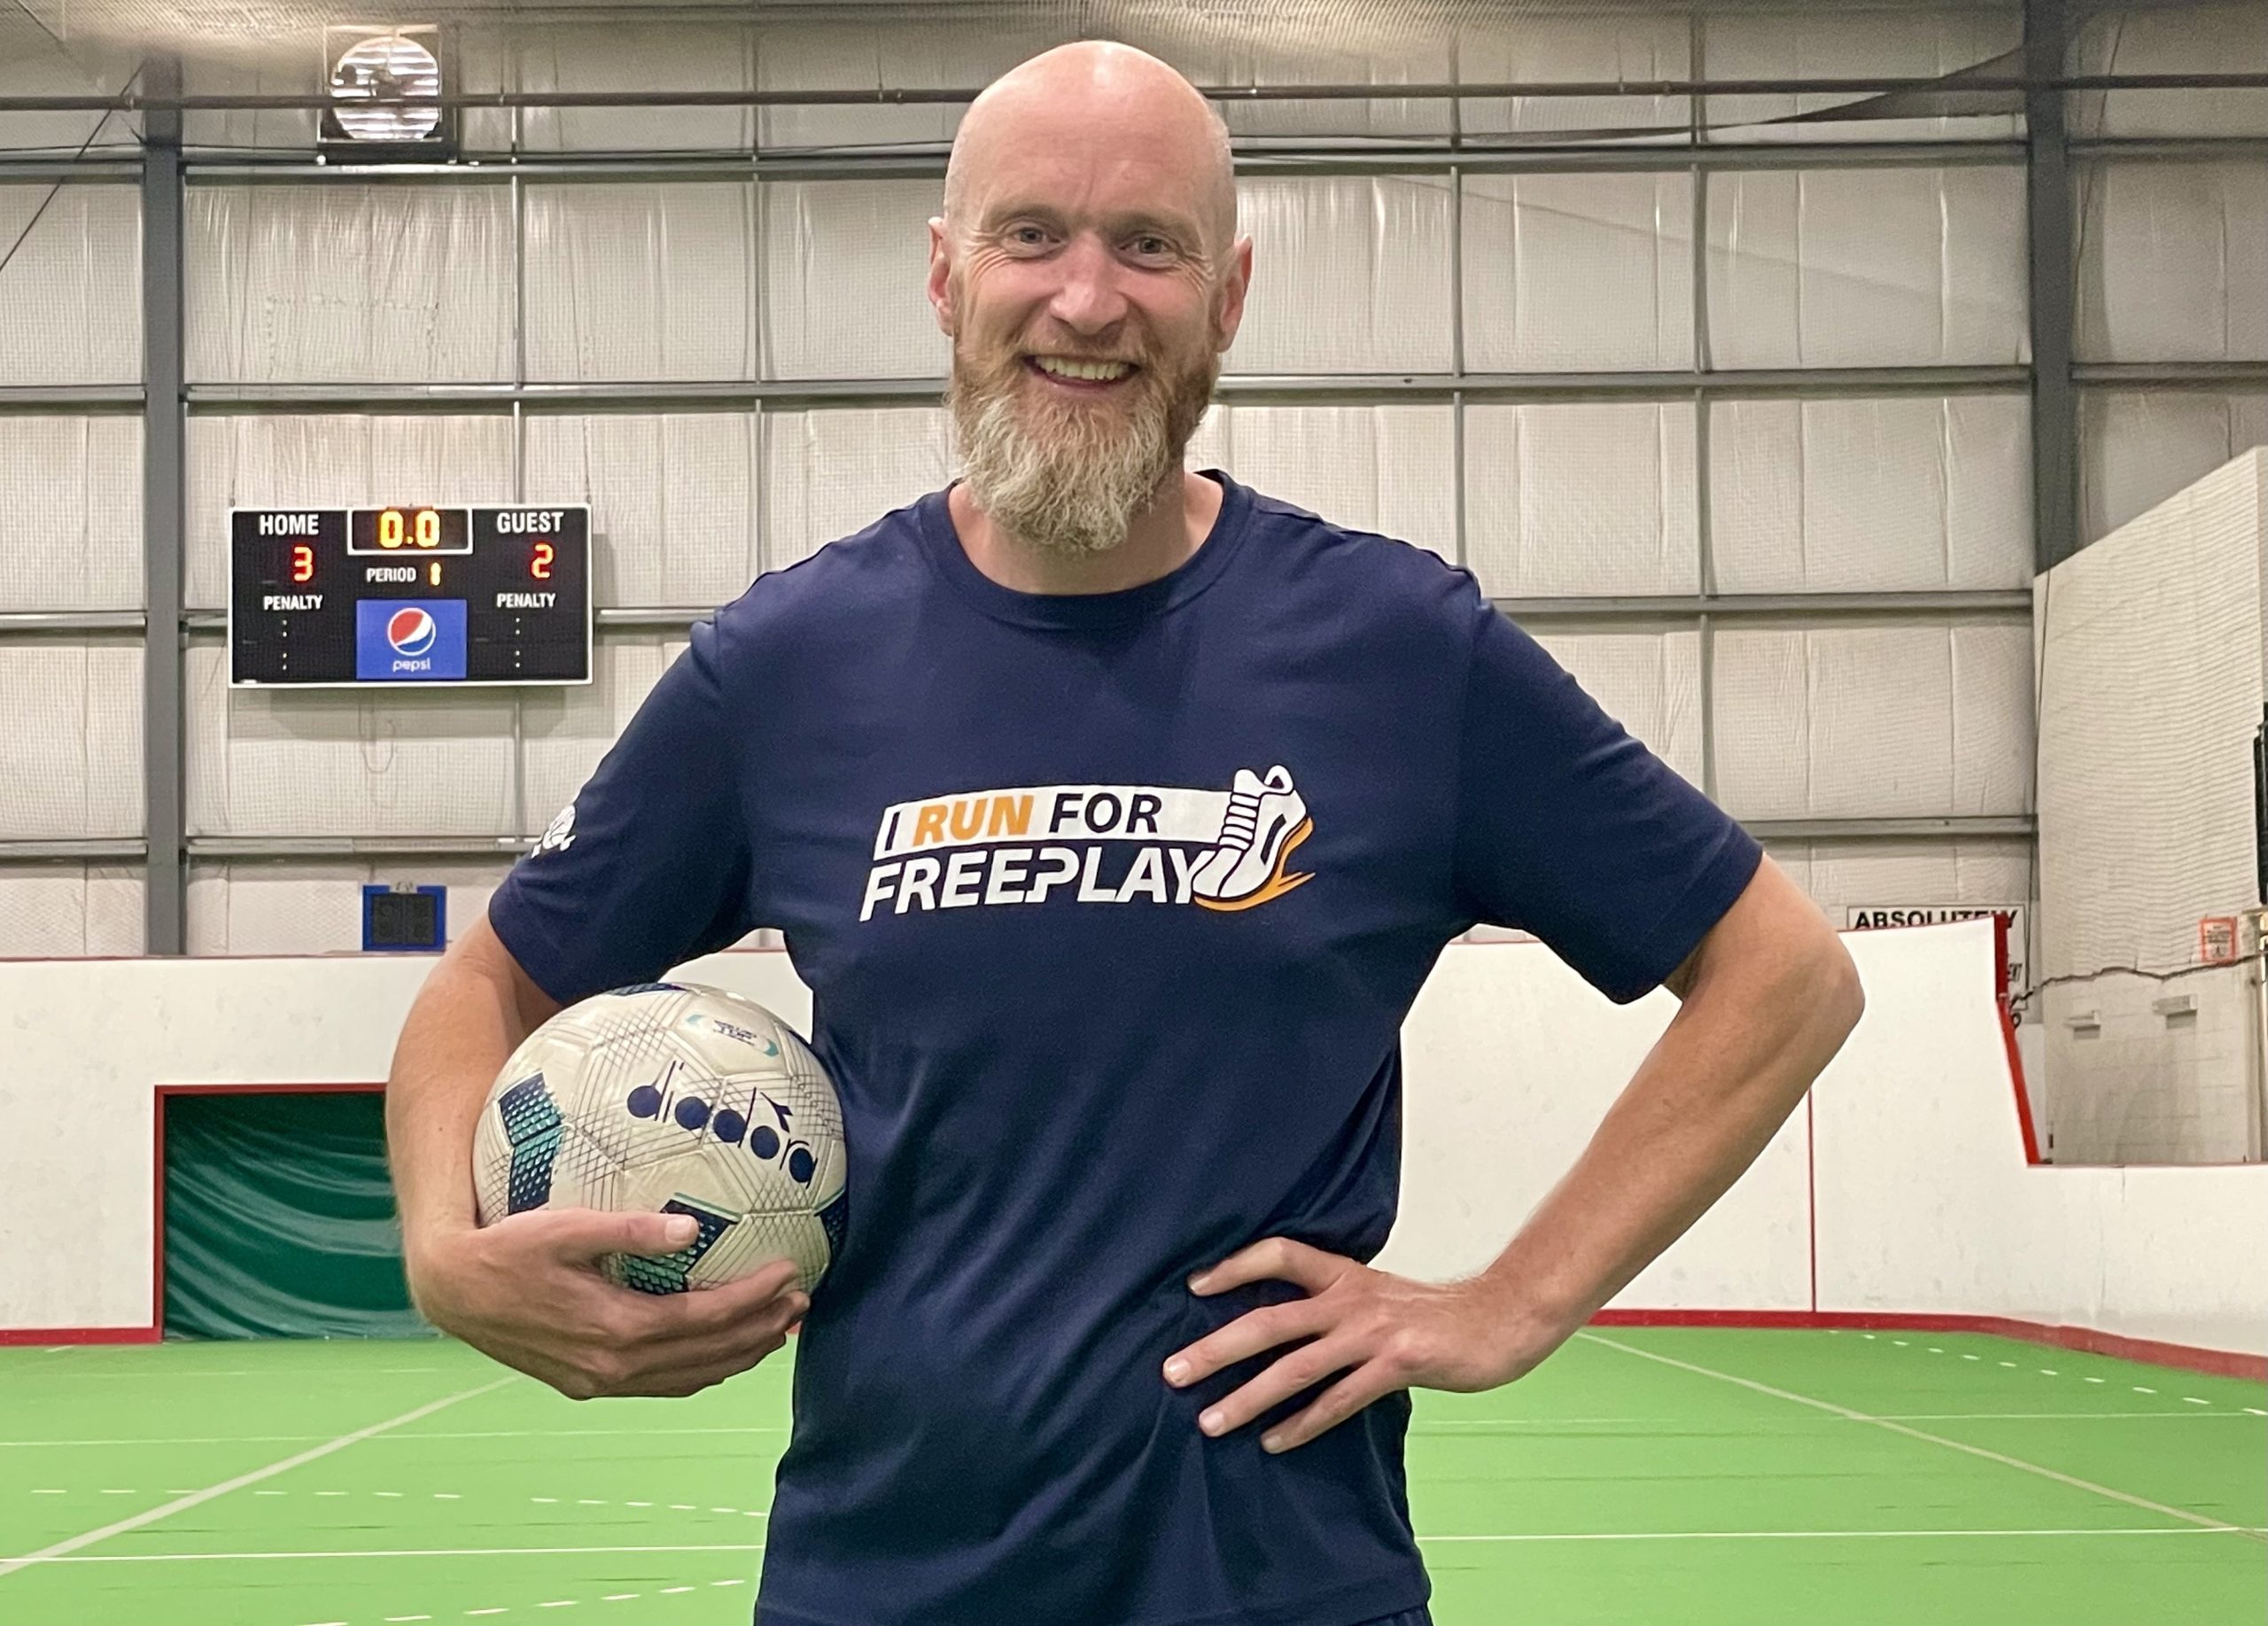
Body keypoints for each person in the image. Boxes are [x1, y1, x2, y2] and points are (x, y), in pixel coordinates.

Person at [386, 39, 1865, 1626]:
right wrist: (439, 1252)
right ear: (946, 279)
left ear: (1228, 297)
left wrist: (1515, 1302)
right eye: (1033, 236)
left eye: (1147, 246)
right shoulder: (791, 666)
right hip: (883, 1580)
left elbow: (1785, 975)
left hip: (1284, 1585)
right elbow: (488, 993)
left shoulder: (1398, 652)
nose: (1086, 301)